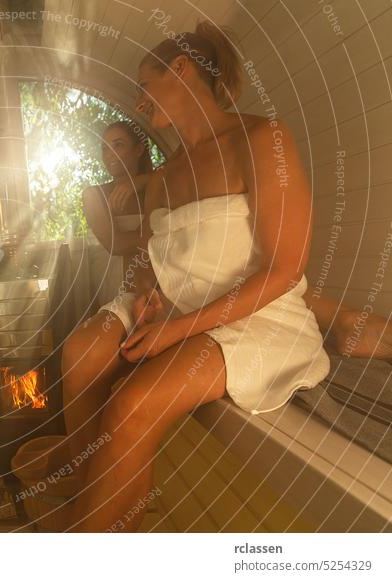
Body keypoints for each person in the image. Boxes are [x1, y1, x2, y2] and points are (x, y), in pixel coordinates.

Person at [63, 21, 332, 531]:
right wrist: (146, 295)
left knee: (131, 401)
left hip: (254, 314)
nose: (140, 102)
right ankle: (97, 504)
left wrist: (176, 331)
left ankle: (89, 533)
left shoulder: (260, 138)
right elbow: (146, 256)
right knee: (80, 354)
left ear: (181, 70)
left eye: (145, 86)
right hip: (176, 305)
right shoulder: (163, 176)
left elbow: (285, 268)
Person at [83, 120, 153, 306]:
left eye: (118, 145)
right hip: (112, 293)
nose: (109, 155)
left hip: (156, 287)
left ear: (138, 150)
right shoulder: (93, 195)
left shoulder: (158, 189)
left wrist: (143, 181)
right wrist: (161, 237)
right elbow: (116, 245)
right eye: (105, 148)